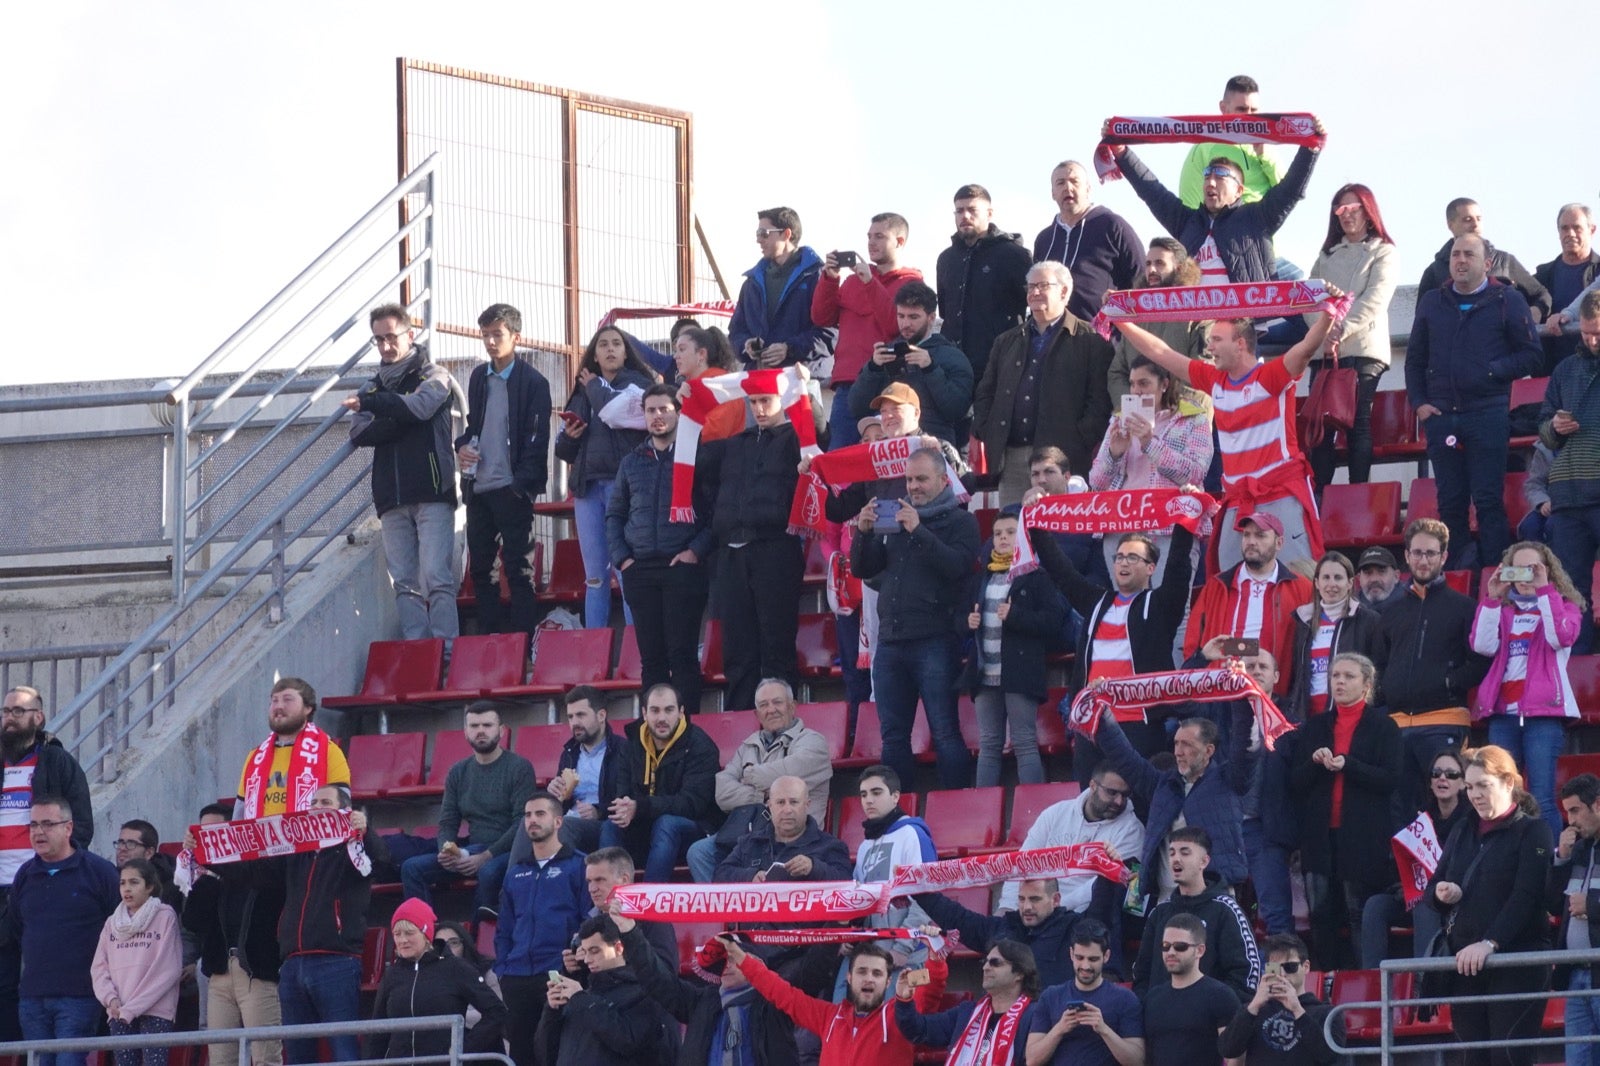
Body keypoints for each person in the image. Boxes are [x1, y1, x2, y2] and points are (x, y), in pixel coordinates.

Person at [1119, 314, 1337, 571]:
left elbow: (1306, 348)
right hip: (1236, 500)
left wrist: (1328, 315)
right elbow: (1160, 351)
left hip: (1280, 494)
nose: (1209, 347)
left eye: (1217, 340)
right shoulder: (1215, 381)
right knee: (1228, 583)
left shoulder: (1270, 376)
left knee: (1298, 581)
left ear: (1241, 344)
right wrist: (1120, 321)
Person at [1407, 233, 1545, 569]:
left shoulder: (1507, 300)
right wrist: (1420, 404)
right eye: (1455, 254)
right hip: (1442, 417)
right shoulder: (1431, 302)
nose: (1460, 260)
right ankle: (1455, 578)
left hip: (1488, 413)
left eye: (1469, 254)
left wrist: (1492, 371)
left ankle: (1496, 579)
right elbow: (1414, 361)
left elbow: (1531, 355)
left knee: (1487, 501)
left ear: (1487, 263)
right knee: (1450, 503)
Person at [852, 448, 980, 790]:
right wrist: (863, 533)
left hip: (935, 640)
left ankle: (957, 811)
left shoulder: (961, 521)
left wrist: (919, 530)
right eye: (909, 479)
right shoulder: (894, 519)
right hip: (892, 643)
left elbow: (958, 567)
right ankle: (899, 814)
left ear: (943, 479)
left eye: (921, 479)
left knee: (944, 731)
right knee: (893, 739)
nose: (913, 486)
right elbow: (864, 569)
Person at [1426, 745, 1553, 1066]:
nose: (1475, 795)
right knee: (1473, 1058)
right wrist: (1444, 894)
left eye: (1484, 785)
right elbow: (1432, 890)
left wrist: (1490, 942)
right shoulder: (1462, 828)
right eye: (1470, 787)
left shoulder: (1533, 830)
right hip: (1466, 964)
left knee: (1508, 1056)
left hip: (1517, 962)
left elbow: (1527, 896)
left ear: (1508, 783)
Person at [344, 302, 460, 639]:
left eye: (391, 337)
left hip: (431, 492)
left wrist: (380, 408)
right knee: (405, 583)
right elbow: (359, 432)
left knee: (438, 577)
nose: (385, 346)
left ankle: (446, 654)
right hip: (391, 499)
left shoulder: (434, 375)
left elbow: (421, 408)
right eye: (377, 340)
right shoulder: (371, 388)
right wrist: (400, 418)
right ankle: (417, 652)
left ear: (410, 334)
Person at [1102, 114, 1323, 285]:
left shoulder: (1257, 218)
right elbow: (1151, 191)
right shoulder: (1188, 222)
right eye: (1207, 176)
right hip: (1198, 331)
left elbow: (1291, 188)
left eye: (1221, 177)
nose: (1211, 182)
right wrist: (1121, 152)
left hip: (1243, 330)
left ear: (1239, 190)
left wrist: (1310, 148)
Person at [1033, 522, 1196, 753]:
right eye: (1119, 557)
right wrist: (1037, 525)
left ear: (1151, 568)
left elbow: (1178, 567)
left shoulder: (1160, 606)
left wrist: (1185, 520)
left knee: (1140, 789)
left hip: (1141, 724)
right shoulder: (1097, 601)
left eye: (1132, 557)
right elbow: (1061, 571)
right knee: (1090, 790)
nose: (1123, 562)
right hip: (1092, 724)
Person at [699, 373, 807, 711]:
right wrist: (685, 399)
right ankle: (740, 726)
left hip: (775, 548)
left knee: (776, 645)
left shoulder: (795, 439)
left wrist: (803, 391)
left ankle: (783, 725)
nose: (759, 409)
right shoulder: (734, 443)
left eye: (766, 401)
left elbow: (817, 430)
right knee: (738, 649)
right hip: (732, 552)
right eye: (754, 401)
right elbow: (692, 464)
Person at [1289, 653, 1403, 970]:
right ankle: (1327, 982)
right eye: (1335, 675)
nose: (1339, 681)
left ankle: (1363, 987)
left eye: (1348, 676)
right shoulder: (1315, 726)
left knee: (1359, 916)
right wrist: (1313, 763)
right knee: (1321, 914)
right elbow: (1295, 782)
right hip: (1319, 838)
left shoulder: (1384, 726)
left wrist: (1349, 766)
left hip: (1363, 839)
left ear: (1367, 684)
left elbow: (1391, 779)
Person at [607, 384, 714, 712]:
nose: (657, 416)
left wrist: (695, 551)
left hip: (681, 567)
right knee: (651, 659)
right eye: (651, 410)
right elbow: (615, 513)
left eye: (664, 409)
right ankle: (653, 733)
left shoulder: (696, 456)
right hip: (639, 571)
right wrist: (623, 559)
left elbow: (713, 513)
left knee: (682, 656)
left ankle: (687, 730)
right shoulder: (630, 462)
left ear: (678, 412)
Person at [971, 261, 1115, 504]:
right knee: (1015, 529)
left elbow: (1100, 401)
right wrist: (989, 430)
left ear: (1064, 291)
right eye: (1031, 286)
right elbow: (986, 393)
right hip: (1013, 458)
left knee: (1060, 532)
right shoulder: (1006, 341)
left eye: (1043, 285)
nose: (1034, 292)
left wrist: (1080, 439)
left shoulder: (1091, 341)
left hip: (1062, 459)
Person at [1082, 709, 1253, 909]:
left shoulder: (1228, 781)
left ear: (1208, 751)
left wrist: (1245, 701)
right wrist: (1103, 715)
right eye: (1176, 743)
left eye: (1186, 744)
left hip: (1213, 900)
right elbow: (1124, 757)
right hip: (1167, 902)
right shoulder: (1162, 786)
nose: (1178, 752)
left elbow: (1244, 746)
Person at [0, 685, 96, 1039]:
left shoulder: (57, 762)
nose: (10, 718)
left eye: (18, 711)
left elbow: (81, 824)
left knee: (42, 981)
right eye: (6, 711)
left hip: (39, 883)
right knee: (4, 985)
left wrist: (58, 870)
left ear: (37, 718)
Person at [1471, 541, 1585, 839]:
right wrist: (1492, 599)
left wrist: (1545, 592)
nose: (1525, 576)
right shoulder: (1504, 612)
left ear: (1548, 572)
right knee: (1501, 797)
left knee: (1542, 797)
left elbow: (1560, 636)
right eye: (1517, 569)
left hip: (1543, 716)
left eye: (1532, 568)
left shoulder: (1566, 607)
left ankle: (1548, 866)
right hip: (1503, 715)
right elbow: (1482, 646)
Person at [1374, 519, 1491, 805]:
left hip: (1445, 722)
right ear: (1407, 556)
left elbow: (1480, 662)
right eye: (1417, 553)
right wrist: (1386, 693)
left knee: (1447, 808)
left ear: (1444, 557)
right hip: (1397, 725)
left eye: (1430, 553)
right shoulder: (1389, 611)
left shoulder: (1464, 607)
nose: (1423, 560)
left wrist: (1449, 681)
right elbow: (1379, 664)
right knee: (1399, 810)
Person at [456, 303, 552, 636]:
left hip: (511, 488)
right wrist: (461, 446)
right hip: (479, 489)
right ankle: (489, 639)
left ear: (515, 336)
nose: (491, 342)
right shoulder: (478, 377)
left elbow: (539, 439)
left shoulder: (534, 382)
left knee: (519, 568)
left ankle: (523, 643)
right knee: (481, 570)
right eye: (485, 335)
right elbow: (473, 427)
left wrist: (519, 485)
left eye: (497, 334)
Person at [554, 324, 656, 629]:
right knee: (595, 575)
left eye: (616, 344)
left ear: (626, 353)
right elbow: (563, 450)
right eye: (603, 345)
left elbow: (616, 412)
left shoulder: (638, 386)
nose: (610, 349)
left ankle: (636, 649)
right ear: (594, 355)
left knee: (626, 569)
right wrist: (570, 437)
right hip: (587, 490)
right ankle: (593, 648)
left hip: (625, 488)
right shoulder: (582, 389)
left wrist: (595, 387)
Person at [8, 796, 119, 1066]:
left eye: (47, 824)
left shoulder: (99, 872)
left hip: (80, 996)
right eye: (33, 824)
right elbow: (16, 927)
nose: (38, 832)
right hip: (32, 998)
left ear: (68, 828)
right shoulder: (25, 874)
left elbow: (118, 929)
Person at [688, 679, 832, 882]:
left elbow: (787, 776)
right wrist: (761, 795)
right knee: (699, 852)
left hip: (795, 836)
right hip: (750, 836)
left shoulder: (813, 742)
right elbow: (722, 792)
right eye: (764, 705)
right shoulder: (748, 745)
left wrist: (749, 775)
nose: (771, 710)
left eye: (777, 702)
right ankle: (722, 912)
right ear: (756, 714)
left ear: (792, 707)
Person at [401, 702, 536, 918]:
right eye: (474, 726)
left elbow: (522, 823)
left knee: (488, 872)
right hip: (471, 848)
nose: (480, 730)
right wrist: (446, 850)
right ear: (465, 732)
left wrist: (485, 856)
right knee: (411, 868)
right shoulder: (458, 771)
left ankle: (472, 940)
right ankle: (424, 935)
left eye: (487, 725)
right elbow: (448, 821)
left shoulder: (519, 768)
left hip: (507, 851)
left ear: (501, 730)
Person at [1304, 184, 1398, 488]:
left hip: (1362, 351)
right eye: (1340, 209)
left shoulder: (1383, 251)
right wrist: (1325, 332)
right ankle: (1319, 500)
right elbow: (1309, 299)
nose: (1346, 215)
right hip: (1325, 354)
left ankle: (1359, 497)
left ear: (1368, 211)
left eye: (1353, 208)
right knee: (1320, 430)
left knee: (1358, 426)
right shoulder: (1325, 256)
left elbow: (1375, 299)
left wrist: (1340, 330)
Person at [275, 783, 377, 1066]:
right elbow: (257, 874)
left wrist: (365, 831)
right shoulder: (296, 852)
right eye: (313, 802)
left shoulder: (352, 847)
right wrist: (209, 856)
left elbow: (381, 860)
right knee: (297, 1056)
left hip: (336, 962)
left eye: (325, 802)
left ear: (343, 811)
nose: (317, 807)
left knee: (343, 1050)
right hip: (293, 963)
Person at [964, 509, 1067, 786]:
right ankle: (983, 816)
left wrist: (1016, 615)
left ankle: (1034, 814)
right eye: (998, 534)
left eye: (1010, 532)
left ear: (1022, 537)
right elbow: (962, 617)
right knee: (988, 744)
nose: (1003, 539)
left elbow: (1053, 620)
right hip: (985, 673)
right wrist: (968, 621)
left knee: (1024, 742)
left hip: (1019, 673)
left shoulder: (1036, 576)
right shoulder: (983, 577)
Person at [1087, 355, 1213, 576]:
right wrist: (1113, 453)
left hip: (1171, 528)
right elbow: (1096, 482)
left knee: (1170, 607)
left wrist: (1149, 443)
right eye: (1133, 384)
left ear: (1164, 385)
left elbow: (1195, 473)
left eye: (1144, 383)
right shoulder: (1118, 420)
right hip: (1121, 527)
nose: (1136, 391)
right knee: (1128, 605)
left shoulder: (1194, 418)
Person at [619, 918, 804, 1066]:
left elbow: (813, 970)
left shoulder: (776, 1001)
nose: (726, 965)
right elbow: (657, 979)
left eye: (734, 959)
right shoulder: (702, 1001)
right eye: (722, 961)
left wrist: (832, 930)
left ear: (759, 964)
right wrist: (630, 933)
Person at [181, 803, 283, 1066]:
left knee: (264, 1057)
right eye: (202, 832)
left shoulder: (265, 865)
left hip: (256, 973)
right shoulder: (212, 877)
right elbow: (192, 920)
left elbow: (259, 881)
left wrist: (214, 862)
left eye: (214, 831)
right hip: (219, 974)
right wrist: (203, 872)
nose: (208, 838)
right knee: (220, 1059)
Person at [813, 213, 924, 448]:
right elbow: (821, 317)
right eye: (869, 236)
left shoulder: (911, 284)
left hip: (887, 388)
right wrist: (829, 279)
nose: (871, 243)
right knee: (840, 463)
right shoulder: (852, 281)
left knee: (883, 461)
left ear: (900, 241)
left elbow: (896, 327)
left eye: (880, 236)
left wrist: (870, 283)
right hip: (847, 384)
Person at [495, 793, 588, 1066]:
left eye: (540, 814)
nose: (532, 820)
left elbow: (587, 921)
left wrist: (571, 966)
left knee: (558, 1051)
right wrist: (503, 969)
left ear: (558, 821)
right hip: (517, 975)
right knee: (521, 1055)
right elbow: (505, 927)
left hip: (557, 972)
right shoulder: (516, 872)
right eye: (527, 815)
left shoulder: (578, 865)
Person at [723, 935, 914, 1066]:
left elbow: (931, 989)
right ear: (849, 977)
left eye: (877, 973)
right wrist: (741, 957)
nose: (869, 978)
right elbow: (782, 994)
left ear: (889, 981)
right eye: (862, 971)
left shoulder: (901, 1017)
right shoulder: (829, 1017)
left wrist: (936, 959)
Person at [1357, 748, 1470, 969]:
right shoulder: (1419, 817)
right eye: (1436, 774)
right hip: (1419, 894)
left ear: (1464, 783)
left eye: (1451, 774)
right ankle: (1373, 981)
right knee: (1375, 905)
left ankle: (1423, 980)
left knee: (1424, 904)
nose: (1442, 778)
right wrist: (1403, 886)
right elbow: (1404, 863)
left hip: (1454, 898)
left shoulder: (1470, 821)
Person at [1182, 513, 1314, 692]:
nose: (1251, 541)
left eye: (1260, 535)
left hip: (1274, 694)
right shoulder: (1217, 585)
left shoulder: (1301, 587)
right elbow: (1192, 640)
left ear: (1279, 543)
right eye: (1246, 535)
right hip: (1220, 693)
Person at [364, 898, 506, 1060]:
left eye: (410, 933)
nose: (402, 940)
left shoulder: (455, 968)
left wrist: (464, 1049)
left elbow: (496, 1011)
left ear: (426, 934)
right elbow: (378, 1032)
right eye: (397, 934)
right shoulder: (392, 975)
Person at [998, 764, 1144, 917]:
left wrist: (1051, 909)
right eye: (1112, 793)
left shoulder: (1132, 831)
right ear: (1093, 786)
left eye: (1125, 795)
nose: (1119, 802)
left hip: (1080, 916)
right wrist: (1008, 906)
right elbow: (1022, 863)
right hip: (1035, 908)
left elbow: (1097, 889)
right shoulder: (1056, 814)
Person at [1131, 828, 1260, 1001]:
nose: (1176, 859)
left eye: (1185, 853)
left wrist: (1217, 1012)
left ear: (1204, 861)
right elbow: (1141, 973)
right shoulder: (1159, 913)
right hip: (1161, 1022)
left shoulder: (1226, 910)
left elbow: (1246, 973)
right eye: (1172, 853)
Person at [1540, 288, 1600, 654]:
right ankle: (1579, 685)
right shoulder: (1564, 371)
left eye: (1599, 333)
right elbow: (1544, 426)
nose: (1592, 340)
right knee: (1573, 595)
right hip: (1567, 498)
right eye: (1587, 332)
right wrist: (1554, 428)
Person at [611, 684, 721, 882]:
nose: (661, 718)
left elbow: (691, 804)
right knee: (611, 826)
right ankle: (609, 904)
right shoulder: (631, 744)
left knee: (667, 824)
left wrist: (641, 807)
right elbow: (622, 792)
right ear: (644, 713)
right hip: (645, 827)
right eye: (654, 710)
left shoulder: (700, 745)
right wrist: (624, 807)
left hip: (692, 830)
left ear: (681, 712)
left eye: (669, 710)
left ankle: (647, 908)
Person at [539, 915, 676, 1066]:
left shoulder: (643, 992)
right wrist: (552, 1011)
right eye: (585, 952)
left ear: (618, 948)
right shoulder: (582, 993)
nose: (587, 959)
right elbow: (545, 1054)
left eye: (595, 951)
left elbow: (627, 1041)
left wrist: (582, 999)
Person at [850, 280, 974, 447]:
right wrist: (872, 369)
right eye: (901, 316)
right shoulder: (886, 354)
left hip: (933, 447)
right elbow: (856, 408)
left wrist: (931, 369)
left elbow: (957, 410)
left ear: (931, 318)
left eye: (913, 317)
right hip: (890, 451)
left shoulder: (951, 356)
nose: (906, 324)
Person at [936, 184, 1033, 387]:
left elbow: (1034, 306)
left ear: (989, 213)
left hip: (999, 365)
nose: (965, 216)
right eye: (960, 210)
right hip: (953, 367)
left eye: (972, 210)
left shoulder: (1014, 255)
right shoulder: (946, 259)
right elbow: (946, 311)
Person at [91, 858, 182, 1066]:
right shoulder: (112, 923)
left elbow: (168, 970)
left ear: (149, 886)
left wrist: (133, 1007)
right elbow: (99, 968)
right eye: (122, 883)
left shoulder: (165, 916)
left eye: (134, 882)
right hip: (118, 1010)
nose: (127, 889)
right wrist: (111, 1000)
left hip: (155, 1009)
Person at [915, 878, 1082, 991]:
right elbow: (958, 918)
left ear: (1056, 900)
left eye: (1035, 899)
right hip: (1005, 1028)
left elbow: (1103, 911)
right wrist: (915, 888)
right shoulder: (1004, 926)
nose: (1027, 907)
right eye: (1021, 899)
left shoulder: (1075, 929)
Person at [893, 941, 1038, 1066]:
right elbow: (918, 1030)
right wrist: (904, 1000)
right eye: (985, 962)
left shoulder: (1035, 1016)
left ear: (1020, 973)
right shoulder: (967, 1013)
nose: (985, 967)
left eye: (995, 963)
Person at [1032, 160, 1143, 320]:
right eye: (1060, 183)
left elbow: (1140, 279)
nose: (1068, 188)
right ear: (1053, 193)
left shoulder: (1113, 226)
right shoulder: (1044, 239)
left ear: (1088, 189)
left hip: (1101, 336)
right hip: (1052, 336)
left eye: (1074, 182)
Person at [1024, 920, 1144, 1066]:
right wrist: (1060, 1029)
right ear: (1071, 954)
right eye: (1080, 958)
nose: (1085, 966)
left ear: (1106, 956)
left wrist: (1104, 1029)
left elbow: (1137, 1061)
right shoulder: (1051, 996)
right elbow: (1032, 1060)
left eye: (1093, 959)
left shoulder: (1125, 998)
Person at [1283, 552, 1383, 722]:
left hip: (1351, 717)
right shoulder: (1303, 622)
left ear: (1350, 582)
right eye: (1326, 578)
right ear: (1316, 583)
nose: (1331, 584)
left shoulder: (1369, 620)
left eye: (1338, 578)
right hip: (1308, 717)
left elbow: (1378, 669)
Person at [728, 207, 833, 369]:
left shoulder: (817, 276)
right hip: (759, 380)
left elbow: (829, 332)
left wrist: (789, 349)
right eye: (757, 234)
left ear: (786, 234)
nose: (759, 240)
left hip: (801, 379)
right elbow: (736, 331)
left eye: (764, 233)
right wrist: (746, 345)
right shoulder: (751, 283)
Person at [1416, 199, 1552, 322]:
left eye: (1479, 219)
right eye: (1468, 219)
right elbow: (1422, 318)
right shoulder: (1435, 271)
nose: (1475, 225)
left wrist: (1537, 310)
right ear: (1450, 225)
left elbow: (1541, 294)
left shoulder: (1504, 261)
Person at [234, 677, 350, 820]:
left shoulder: (329, 751)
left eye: (287, 699)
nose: (279, 706)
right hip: (260, 842)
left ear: (308, 708)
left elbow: (343, 812)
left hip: (309, 840)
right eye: (274, 700)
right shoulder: (254, 756)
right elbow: (239, 815)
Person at [1105, 239, 1207, 399]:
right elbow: (1117, 373)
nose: (1151, 269)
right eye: (1148, 264)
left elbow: (1204, 374)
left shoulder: (1199, 313)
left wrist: (1167, 410)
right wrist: (1133, 405)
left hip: (1184, 417)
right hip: (1137, 418)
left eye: (1160, 263)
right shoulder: (1135, 316)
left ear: (1179, 268)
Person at [1217, 933, 1338, 1065]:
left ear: (1306, 967)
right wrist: (1253, 1006)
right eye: (1274, 969)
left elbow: (1330, 1057)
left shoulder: (1327, 1013)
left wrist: (1298, 1010)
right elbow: (1227, 1050)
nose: (1282, 974)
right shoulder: (1255, 1011)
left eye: (1290, 967)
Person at [1140, 913, 1242, 1066]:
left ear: (1200, 950)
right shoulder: (1153, 998)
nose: (1171, 952)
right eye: (1165, 946)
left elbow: (1234, 1058)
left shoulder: (1221, 996)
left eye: (1180, 946)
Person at [712, 774, 851, 883]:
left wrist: (814, 868)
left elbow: (847, 884)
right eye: (780, 802)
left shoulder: (831, 846)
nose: (787, 809)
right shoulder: (749, 843)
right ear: (770, 806)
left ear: (807, 805)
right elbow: (720, 876)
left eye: (794, 802)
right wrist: (750, 876)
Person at [852, 765, 938, 932]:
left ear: (895, 796)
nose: (868, 800)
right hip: (871, 947)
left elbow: (927, 898)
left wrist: (901, 950)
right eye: (864, 795)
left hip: (908, 950)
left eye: (876, 793)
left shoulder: (913, 834)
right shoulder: (865, 845)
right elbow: (857, 899)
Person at [1550, 773, 1600, 1064]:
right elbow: (1552, 903)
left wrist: (1591, 906)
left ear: (1597, 805)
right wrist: (1561, 858)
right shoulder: (1579, 849)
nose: (1570, 821)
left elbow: (1583, 905)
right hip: (1576, 976)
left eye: (1575, 810)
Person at [568, 847, 676, 976]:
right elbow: (588, 983)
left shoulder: (653, 919)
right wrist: (573, 968)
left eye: (599, 880)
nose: (592, 889)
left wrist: (612, 963)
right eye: (589, 881)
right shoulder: (590, 922)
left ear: (624, 880)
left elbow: (667, 976)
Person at [1176, 76, 1280, 209]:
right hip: (1223, 227)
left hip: (1259, 225)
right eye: (1242, 109)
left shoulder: (1265, 145)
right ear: (1223, 108)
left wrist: (1264, 156)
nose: (1249, 117)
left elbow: (1289, 193)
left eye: (1254, 110)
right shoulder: (1203, 148)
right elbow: (1189, 205)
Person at [546, 685, 627, 852]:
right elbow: (561, 802)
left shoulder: (624, 750)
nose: (575, 722)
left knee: (562, 827)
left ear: (601, 715)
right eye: (570, 717)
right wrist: (554, 794)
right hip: (570, 822)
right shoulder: (569, 753)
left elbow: (629, 796)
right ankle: (520, 877)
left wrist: (598, 811)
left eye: (581, 715)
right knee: (530, 823)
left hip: (603, 825)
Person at [1538, 204, 1600, 370]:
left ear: (1592, 230)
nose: (1570, 234)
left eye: (1577, 228)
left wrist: (1568, 314)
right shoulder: (1542, 276)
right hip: (1553, 372)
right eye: (1564, 228)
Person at [434, 920, 504, 1048]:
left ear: (465, 945)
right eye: (440, 945)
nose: (447, 949)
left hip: (479, 1045)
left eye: (453, 943)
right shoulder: (427, 977)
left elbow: (498, 1012)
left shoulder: (487, 973)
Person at [670, 326, 744, 440]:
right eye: (676, 351)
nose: (675, 356)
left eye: (682, 349)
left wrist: (688, 408)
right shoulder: (694, 387)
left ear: (701, 354)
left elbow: (713, 434)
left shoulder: (722, 386)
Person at [1353, 546, 1405, 614]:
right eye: (1368, 573)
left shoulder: (1414, 608)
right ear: (1359, 579)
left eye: (1381, 571)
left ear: (1396, 576)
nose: (1374, 579)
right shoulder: (1348, 610)